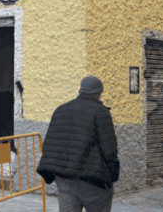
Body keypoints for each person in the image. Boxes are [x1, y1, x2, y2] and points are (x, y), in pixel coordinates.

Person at [37, 76, 120, 212]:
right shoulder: (100, 112)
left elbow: (49, 144)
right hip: (93, 181)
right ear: (99, 93)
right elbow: (109, 150)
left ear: (81, 90)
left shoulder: (61, 110)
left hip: (64, 179)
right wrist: (113, 175)